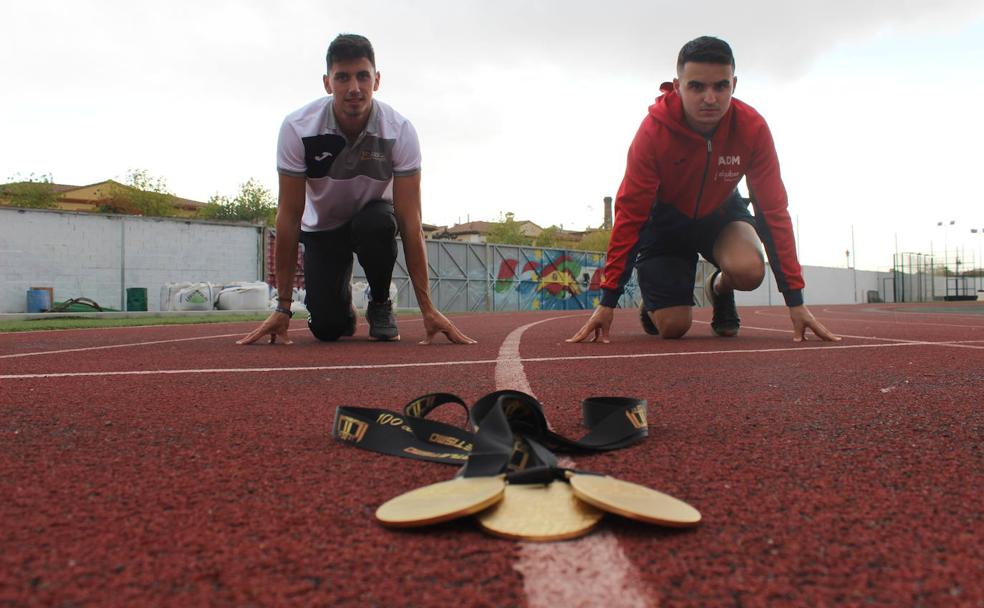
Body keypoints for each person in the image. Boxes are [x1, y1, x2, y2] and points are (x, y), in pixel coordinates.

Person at [569, 36, 838, 344]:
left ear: (734, 84)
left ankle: (718, 288)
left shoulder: (753, 129)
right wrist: (608, 301)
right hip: (667, 224)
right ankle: (657, 305)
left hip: (720, 215)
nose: (710, 98)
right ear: (678, 85)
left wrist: (796, 301)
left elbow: (773, 211)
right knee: (673, 328)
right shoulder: (653, 132)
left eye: (720, 86)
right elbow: (631, 213)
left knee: (749, 271)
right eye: (697, 86)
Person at [239, 34, 474, 346]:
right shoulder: (298, 128)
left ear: (376, 80)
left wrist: (427, 309)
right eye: (343, 77)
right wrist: (283, 306)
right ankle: (344, 310)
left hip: (371, 220)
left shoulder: (399, 131)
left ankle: (379, 303)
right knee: (327, 329)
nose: (354, 88)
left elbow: (410, 220)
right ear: (327, 83)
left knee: (379, 223)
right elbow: (289, 214)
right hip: (323, 228)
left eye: (363, 76)